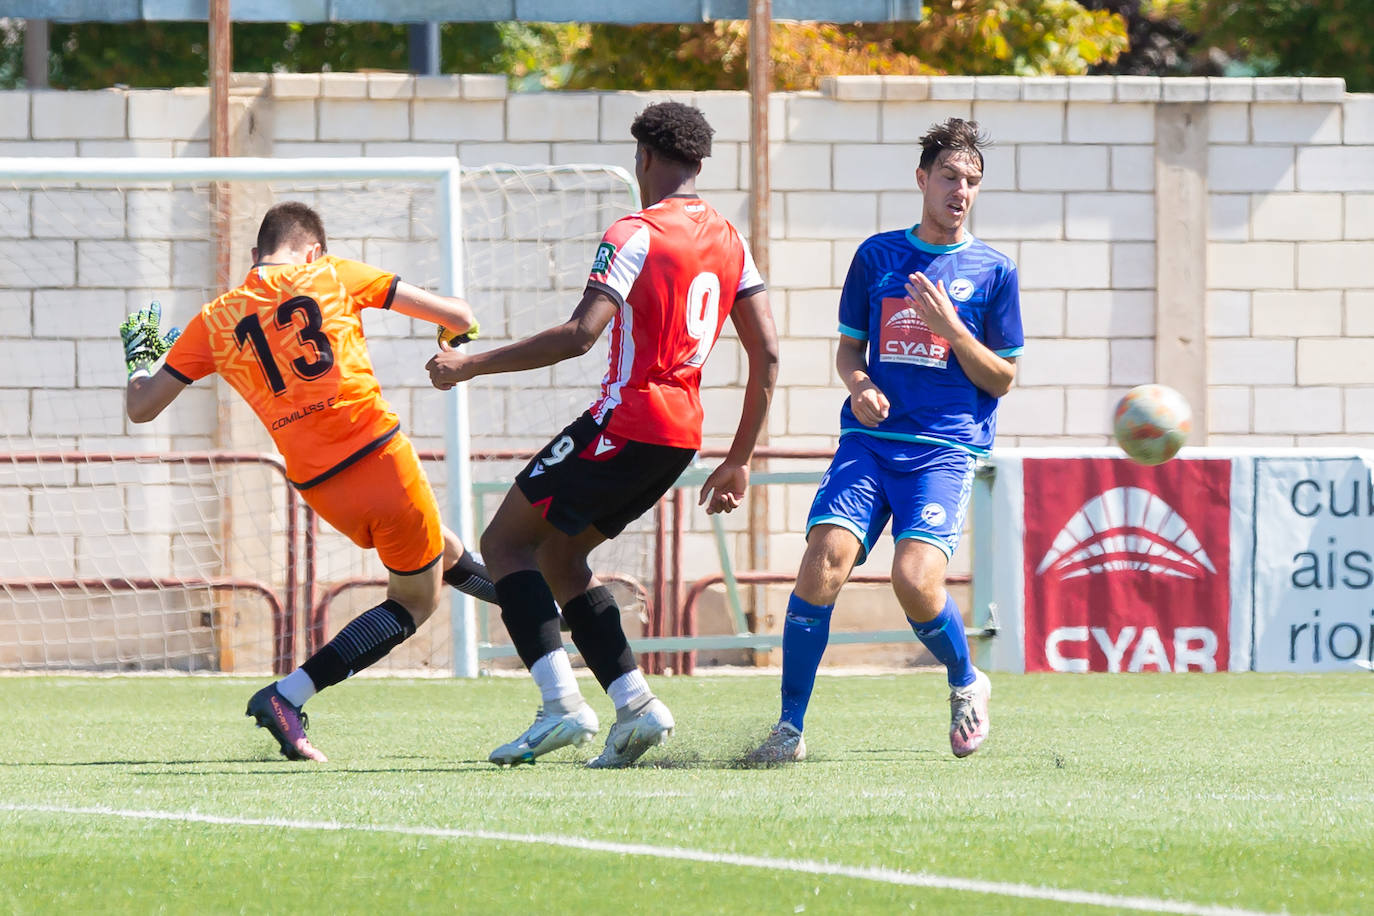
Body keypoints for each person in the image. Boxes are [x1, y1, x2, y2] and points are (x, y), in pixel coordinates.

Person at [427, 101, 779, 768]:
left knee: (505, 544)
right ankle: (637, 705)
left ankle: (560, 706)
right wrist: (738, 460)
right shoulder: (732, 239)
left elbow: (579, 334)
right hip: (682, 438)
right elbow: (770, 353)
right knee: (561, 561)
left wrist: (470, 364)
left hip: (627, 419)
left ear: (643, 158)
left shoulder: (635, 231)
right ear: (700, 163)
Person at [121, 201, 497, 763]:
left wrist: (140, 361)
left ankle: (549, 612)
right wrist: (455, 338)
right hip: (379, 460)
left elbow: (142, 408)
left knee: (440, 549)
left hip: (321, 487)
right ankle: (288, 695)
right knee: (416, 603)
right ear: (313, 248)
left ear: (255, 256)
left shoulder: (214, 318)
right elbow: (459, 313)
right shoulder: (331, 272)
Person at [747, 117, 1023, 765]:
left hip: (943, 449)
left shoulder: (993, 272)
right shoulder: (877, 256)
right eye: (950, 177)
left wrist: (954, 330)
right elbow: (848, 350)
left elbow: (1004, 378)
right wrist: (860, 383)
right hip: (870, 443)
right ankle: (789, 728)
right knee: (823, 563)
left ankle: (965, 680)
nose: (960, 191)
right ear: (922, 179)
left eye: (972, 182)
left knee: (914, 578)